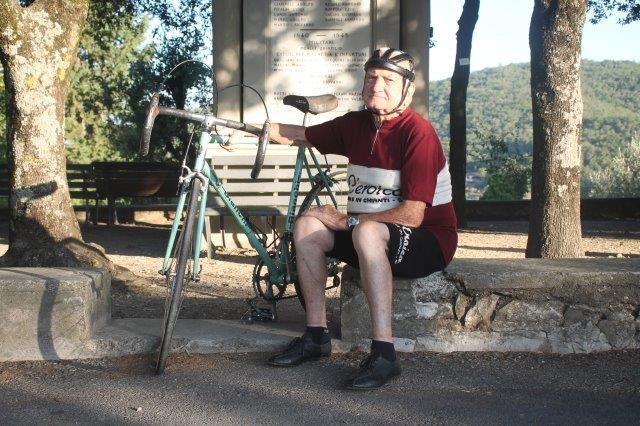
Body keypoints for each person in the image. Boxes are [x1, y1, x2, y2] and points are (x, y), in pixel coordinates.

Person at [266, 47, 457, 390]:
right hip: (370, 236)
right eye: (371, 77)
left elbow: (413, 215)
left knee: (366, 231)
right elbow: (298, 134)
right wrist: (241, 131)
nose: (376, 85)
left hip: (427, 240)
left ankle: (384, 355)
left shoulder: (418, 133)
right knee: (307, 225)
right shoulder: (355, 125)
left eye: (388, 80)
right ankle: (316, 336)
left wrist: (348, 221)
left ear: (407, 89)